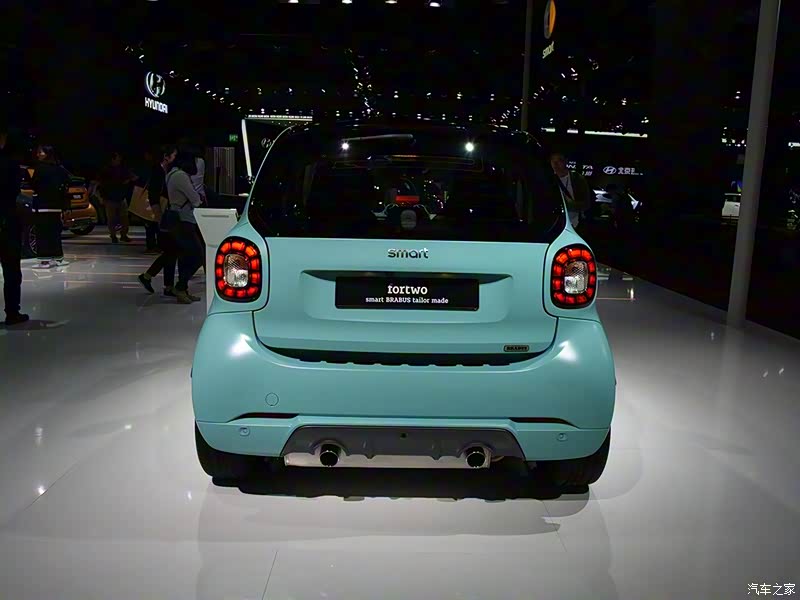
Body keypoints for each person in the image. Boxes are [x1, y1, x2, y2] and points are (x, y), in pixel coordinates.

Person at [139, 152, 203, 304]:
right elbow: (195, 199)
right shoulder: (180, 176)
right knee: (197, 255)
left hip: (175, 218)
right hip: (183, 219)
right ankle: (179, 287)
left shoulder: (171, 174)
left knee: (175, 253)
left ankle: (177, 288)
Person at [0, 124, 28, 326]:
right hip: (6, 220)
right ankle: (12, 312)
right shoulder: (9, 163)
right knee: (11, 269)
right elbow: (14, 190)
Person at [31, 145, 70, 268]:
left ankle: (44, 260)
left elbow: (34, 185)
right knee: (55, 233)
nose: (38, 154)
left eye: (40, 152)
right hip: (55, 206)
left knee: (43, 233)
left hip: (42, 206)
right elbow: (65, 187)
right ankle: (58, 258)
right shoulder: (60, 169)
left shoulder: (40, 169)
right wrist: (65, 206)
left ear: (47, 153)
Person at [144, 145, 177, 253]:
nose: (175, 158)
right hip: (156, 199)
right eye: (174, 155)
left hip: (162, 200)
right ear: (166, 156)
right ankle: (152, 245)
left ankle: (159, 245)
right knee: (153, 222)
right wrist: (155, 202)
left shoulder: (168, 169)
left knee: (158, 222)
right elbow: (154, 187)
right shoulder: (157, 169)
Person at [99, 151, 136, 244]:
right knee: (111, 219)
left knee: (124, 218)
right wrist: (103, 197)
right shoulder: (106, 170)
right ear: (113, 159)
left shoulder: (122, 169)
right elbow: (103, 185)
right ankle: (113, 235)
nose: (119, 160)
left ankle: (123, 235)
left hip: (121, 197)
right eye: (117, 158)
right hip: (110, 198)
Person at [550, 152, 593, 229]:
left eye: (559, 160)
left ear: (566, 161)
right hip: (554, 223)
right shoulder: (548, 179)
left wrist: (572, 205)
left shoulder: (577, 179)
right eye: (553, 160)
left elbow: (587, 204)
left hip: (574, 223)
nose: (555, 164)